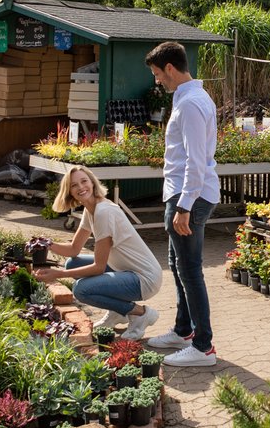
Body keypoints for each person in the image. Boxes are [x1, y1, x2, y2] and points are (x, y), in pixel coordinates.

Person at [143, 41, 220, 367]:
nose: (157, 80)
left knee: (189, 270)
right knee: (178, 265)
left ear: (171, 68)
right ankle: (182, 330)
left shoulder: (190, 104)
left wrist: (184, 206)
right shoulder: (193, 98)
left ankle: (203, 347)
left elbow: (195, 161)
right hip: (188, 193)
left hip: (189, 196)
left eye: (158, 74)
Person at [32, 165, 161, 341]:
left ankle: (141, 314)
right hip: (125, 269)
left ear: (92, 183)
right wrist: (46, 243)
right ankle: (118, 312)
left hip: (144, 279)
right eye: (74, 185)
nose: (80, 187)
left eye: (84, 181)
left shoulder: (103, 212)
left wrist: (59, 274)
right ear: (69, 191)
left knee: (82, 290)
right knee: (73, 263)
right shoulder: (90, 209)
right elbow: (74, 250)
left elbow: (99, 267)